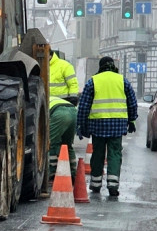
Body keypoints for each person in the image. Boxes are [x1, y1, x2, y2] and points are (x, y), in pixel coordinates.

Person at [77, 56, 138, 199]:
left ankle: (96, 184)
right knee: (115, 154)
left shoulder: (93, 81)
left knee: (98, 154)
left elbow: (84, 106)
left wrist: (81, 124)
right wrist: (132, 120)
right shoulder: (123, 81)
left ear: (101, 66)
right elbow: (132, 103)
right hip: (117, 125)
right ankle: (113, 185)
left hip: (98, 124)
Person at [46, 94, 78, 191]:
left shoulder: (40, 100)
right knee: (67, 145)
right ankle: (72, 173)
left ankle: (51, 173)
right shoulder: (51, 97)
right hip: (73, 111)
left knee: (51, 143)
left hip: (59, 113)